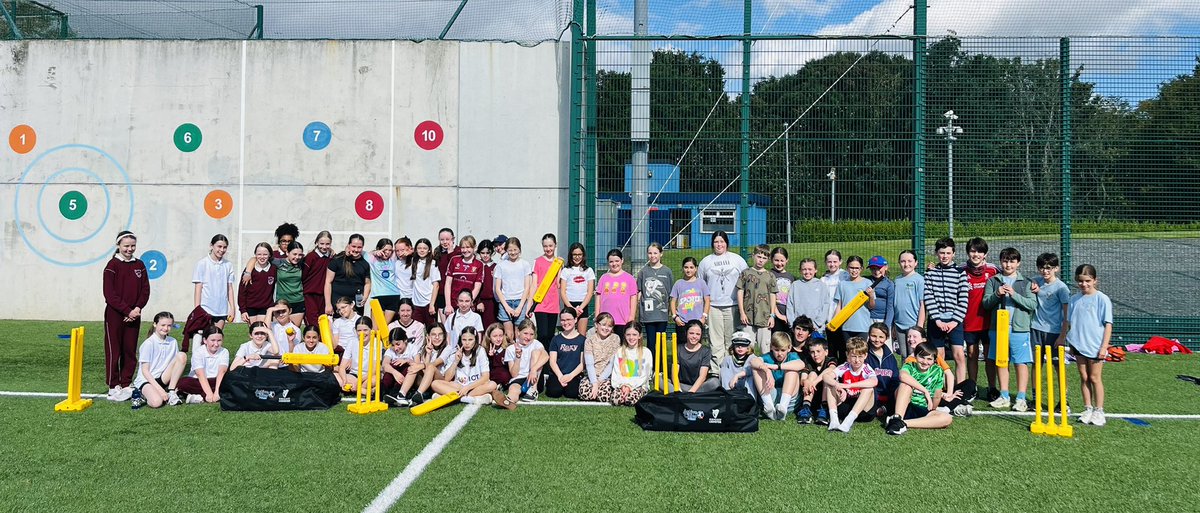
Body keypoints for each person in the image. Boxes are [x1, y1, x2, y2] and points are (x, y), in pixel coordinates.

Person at [982, 247, 1038, 411]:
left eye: (1012, 261)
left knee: (1020, 363)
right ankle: (1004, 395)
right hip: (998, 329)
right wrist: (997, 294)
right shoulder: (993, 281)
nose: (1008, 265)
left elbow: (1032, 304)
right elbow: (986, 304)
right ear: (1001, 262)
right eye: (1005, 261)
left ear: (1018, 263)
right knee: (1001, 361)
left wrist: (1014, 294)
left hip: (1019, 329)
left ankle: (1021, 398)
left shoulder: (1026, 282)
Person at [103, 231, 150, 402]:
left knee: (129, 350)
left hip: (134, 314)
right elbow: (109, 294)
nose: (130, 249)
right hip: (115, 315)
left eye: (132, 246)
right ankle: (113, 385)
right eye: (126, 246)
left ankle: (126, 382)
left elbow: (145, 290)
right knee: (114, 350)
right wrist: (127, 311)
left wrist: (136, 309)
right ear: (118, 246)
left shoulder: (140, 265)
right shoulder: (112, 265)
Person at [1064, 264, 1113, 427]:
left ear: (1095, 280)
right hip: (1079, 345)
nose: (1084, 284)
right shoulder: (1074, 299)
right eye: (1080, 281)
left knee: (1094, 377)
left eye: (1087, 281)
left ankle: (1099, 411)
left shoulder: (1102, 299)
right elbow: (1071, 322)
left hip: (1095, 346)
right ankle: (1088, 408)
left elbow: (1108, 324)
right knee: (1084, 377)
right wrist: (1071, 342)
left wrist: (1103, 347)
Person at [923, 237, 969, 385]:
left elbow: (963, 299)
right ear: (937, 253)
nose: (945, 256)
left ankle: (961, 388)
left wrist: (954, 321)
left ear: (953, 253)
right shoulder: (930, 273)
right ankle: (940, 388)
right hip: (936, 321)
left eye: (948, 253)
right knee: (938, 356)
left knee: (959, 355)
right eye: (942, 253)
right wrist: (937, 320)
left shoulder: (960, 273)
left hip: (954, 321)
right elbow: (928, 297)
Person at [698, 231, 747, 368]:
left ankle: (732, 368)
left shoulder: (737, 260)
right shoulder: (705, 262)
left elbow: (746, 281)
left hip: (733, 306)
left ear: (726, 243)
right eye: (716, 242)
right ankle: (717, 370)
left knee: (731, 339)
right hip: (713, 307)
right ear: (712, 244)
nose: (719, 245)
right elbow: (701, 286)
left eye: (722, 241)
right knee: (716, 341)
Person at [884, 342, 955, 435]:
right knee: (906, 385)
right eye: (922, 357)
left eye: (929, 359)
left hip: (923, 408)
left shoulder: (938, 371)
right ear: (915, 356)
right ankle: (897, 416)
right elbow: (902, 376)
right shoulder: (910, 366)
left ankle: (902, 423)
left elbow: (937, 395)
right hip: (906, 405)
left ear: (934, 360)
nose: (925, 362)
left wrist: (933, 408)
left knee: (947, 418)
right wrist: (925, 391)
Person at [962, 237, 1000, 401]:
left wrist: (1032, 284)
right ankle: (973, 387)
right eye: (973, 251)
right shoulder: (961, 271)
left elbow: (1011, 276)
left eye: (980, 251)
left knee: (989, 355)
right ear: (968, 253)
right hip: (969, 321)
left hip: (989, 322)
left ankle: (992, 387)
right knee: (972, 354)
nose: (976, 254)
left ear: (985, 254)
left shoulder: (993, 270)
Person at [130, 312, 187, 409]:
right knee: (157, 402)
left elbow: (176, 366)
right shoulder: (148, 343)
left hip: (163, 378)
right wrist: (160, 390)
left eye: (169, 325)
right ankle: (141, 394)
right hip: (147, 380)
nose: (166, 328)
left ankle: (171, 392)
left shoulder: (173, 341)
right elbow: (145, 371)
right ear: (155, 324)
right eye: (163, 325)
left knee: (182, 355)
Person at [822, 337, 878, 433]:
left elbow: (874, 381)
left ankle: (848, 421)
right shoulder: (845, 367)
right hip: (846, 406)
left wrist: (848, 386)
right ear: (847, 355)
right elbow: (826, 376)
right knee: (830, 384)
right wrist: (837, 385)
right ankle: (834, 420)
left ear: (865, 356)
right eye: (853, 356)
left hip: (864, 410)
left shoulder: (866, 368)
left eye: (860, 356)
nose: (857, 360)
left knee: (869, 388)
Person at [719, 331, 778, 418]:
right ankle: (727, 400)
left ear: (748, 347)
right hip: (732, 386)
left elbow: (752, 370)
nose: (740, 347)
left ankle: (751, 404)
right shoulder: (728, 359)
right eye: (737, 345)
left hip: (748, 386)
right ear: (733, 346)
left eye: (743, 345)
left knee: (750, 375)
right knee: (723, 370)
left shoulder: (752, 357)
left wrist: (737, 375)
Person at [432, 326, 497, 404]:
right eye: (464, 340)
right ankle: (468, 399)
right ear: (460, 340)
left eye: (470, 340)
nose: (467, 343)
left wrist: (468, 388)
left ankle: (452, 396)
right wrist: (456, 361)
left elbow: (485, 377)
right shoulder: (455, 351)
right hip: (458, 386)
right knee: (435, 383)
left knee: (492, 384)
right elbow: (447, 379)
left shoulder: (480, 351)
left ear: (475, 340)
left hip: (475, 386)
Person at [492, 320, 548, 407]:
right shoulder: (510, 349)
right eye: (525, 333)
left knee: (536, 352)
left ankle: (533, 391)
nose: (528, 337)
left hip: (535, 378)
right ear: (518, 332)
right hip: (519, 378)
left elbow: (546, 356)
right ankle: (508, 401)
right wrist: (518, 357)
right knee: (513, 389)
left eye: (531, 334)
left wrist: (533, 370)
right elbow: (514, 374)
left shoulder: (536, 344)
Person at [831, 256, 876, 361]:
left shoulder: (867, 283)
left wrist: (871, 296)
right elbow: (839, 306)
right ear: (847, 268)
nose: (854, 270)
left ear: (861, 269)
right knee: (849, 355)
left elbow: (871, 306)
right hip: (846, 326)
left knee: (861, 355)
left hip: (862, 326)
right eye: (851, 267)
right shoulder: (842, 284)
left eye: (857, 268)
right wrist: (834, 322)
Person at [737, 244, 779, 354]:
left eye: (764, 258)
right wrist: (742, 312)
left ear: (768, 260)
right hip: (748, 317)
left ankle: (765, 365)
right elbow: (740, 291)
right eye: (759, 257)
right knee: (748, 348)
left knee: (765, 348)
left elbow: (773, 295)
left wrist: (772, 315)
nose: (761, 260)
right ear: (753, 256)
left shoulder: (770, 276)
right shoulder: (746, 273)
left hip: (764, 318)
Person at [1031, 252, 1070, 368]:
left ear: (1056, 268)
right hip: (1036, 329)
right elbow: (1027, 280)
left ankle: (1062, 382)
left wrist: (1062, 336)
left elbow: (1067, 314)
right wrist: (1033, 282)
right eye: (1041, 268)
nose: (1045, 271)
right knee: (1036, 364)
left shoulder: (1061, 288)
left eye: (1048, 268)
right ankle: (1035, 382)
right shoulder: (1037, 281)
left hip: (1054, 331)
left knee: (1058, 364)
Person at [599, 324, 654, 406]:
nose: (631, 337)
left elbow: (644, 376)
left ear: (639, 336)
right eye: (628, 334)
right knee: (616, 400)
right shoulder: (620, 351)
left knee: (630, 400)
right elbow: (616, 373)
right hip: (622, 385)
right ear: (624, 335)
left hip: (638, 385)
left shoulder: (646, 352)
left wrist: (630, 387)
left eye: (634, 334)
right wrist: (623, 386)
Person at [637, 242, 674, 357]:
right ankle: (651, 365)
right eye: (650, 253)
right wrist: (638, 311)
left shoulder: (667, 271)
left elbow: (671, 293)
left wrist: (671, 311)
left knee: (661, 342)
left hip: (662, 313)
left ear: (661, 254)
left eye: (655, 253)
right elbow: (639, 292)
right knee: (651, 342)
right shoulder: (643, 272)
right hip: (648, 314)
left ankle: (661, 365)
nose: (652, 256)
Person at [494, 236, 533, 340]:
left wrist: (520, 307)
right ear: (506, 250)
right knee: (509, 335)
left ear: (519, 249)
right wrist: (506, 307)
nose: (513, 252)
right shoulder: (501, 265)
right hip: (505, 302)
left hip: (520, 301)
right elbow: (498, 288)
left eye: (515, 250)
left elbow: (527, 287)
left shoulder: (525, 264)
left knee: (519, 333)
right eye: (510, 250)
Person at [178, 325, 229, 404]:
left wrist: (217, 392)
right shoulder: (198, 352)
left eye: (219, 340)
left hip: (216, 381)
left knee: (230, 382)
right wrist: (209, 393)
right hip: (199, 381)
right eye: (213, 340)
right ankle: (205, 395)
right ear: (205, 340)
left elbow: (222, 372)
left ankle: (198, 397)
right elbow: (200, 374)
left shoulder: (224, 352)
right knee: (183, 383)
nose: (216, 344)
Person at [193, 234, 236, 328]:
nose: (222, 250)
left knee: (217, 336)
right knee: (203, 336)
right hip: (205, 310)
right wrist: (197, 310)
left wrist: (232, 308)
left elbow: (229, 289)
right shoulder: (202, 263)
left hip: (222, 311)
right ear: (211, 245)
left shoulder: (228, 265)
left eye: (225, 247)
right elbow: (198, 289)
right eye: (219, 246)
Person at [760, 332, 805, 420]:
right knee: (757, 368)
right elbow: (754, 362)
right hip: (772, 396)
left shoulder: (792, 356)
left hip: (789, 401)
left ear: (789, 348)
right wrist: (767, 370)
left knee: (792, 370)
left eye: (783, 350)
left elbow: (801, 364)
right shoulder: (768, 356)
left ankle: (783, 407)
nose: (779, 354)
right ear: (771, 347)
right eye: (776, 350)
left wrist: (777, 366)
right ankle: (768, 404)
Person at [595, 249, 638, 338]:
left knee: (621, 344)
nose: (614, 264)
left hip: (623, 320)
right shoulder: (603, 278)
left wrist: (631, 317)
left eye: (617, 261)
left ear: (622, 260)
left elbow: (633, 298)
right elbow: (598, 298)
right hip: (605, 321)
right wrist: (597, 317)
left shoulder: (629, 278)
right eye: (611, 262)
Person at [325, 234, 371, 317]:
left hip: (356, 304)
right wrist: (328, 304)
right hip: (338, 303)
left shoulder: (365, 264)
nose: (356, 250)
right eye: (353, 246)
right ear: (348, 245)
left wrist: (365, 297)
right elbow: (328, 282)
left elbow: (367, 283)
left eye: (359, 247)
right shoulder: (337, 260)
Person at [579, 313, 621, 402]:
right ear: (596, 325)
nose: (606, 328)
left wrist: (599, 381)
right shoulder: (589, 340)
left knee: (603, 396)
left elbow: (611, 364)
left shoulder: (615, 339)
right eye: (603, 324)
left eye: (609, 326)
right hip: (592, 375)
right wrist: (594, 383)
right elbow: (589, 364)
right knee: (585, 394)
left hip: (607, 376)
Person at [892, 250, 926, 359]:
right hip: (899, 324)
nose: (906, 264)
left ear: (916, 263)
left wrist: (919, 326)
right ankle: (904, 371)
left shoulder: (919, 280)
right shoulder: (897, 280)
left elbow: (922, 304)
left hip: (913, 324)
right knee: (903, 355)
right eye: (903, 261)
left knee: (914, 354)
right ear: (899, 263)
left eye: (910, 261)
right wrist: (894, 325)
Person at [529, 233, 562, 345]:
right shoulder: (537, 261)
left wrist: (560, 266)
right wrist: (530, 303)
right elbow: (534, 284)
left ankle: (549, 355)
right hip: (540, 302)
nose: (548, 249)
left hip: (553, 303)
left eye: (550, 246)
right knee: (542, 334)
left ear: (555, 245)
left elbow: (558, 284)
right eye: (545, 246)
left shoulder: (558, 262)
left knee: (550, 335)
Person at [797, 337, 839, 425]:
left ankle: (824, 409)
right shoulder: (808, 361)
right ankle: (806, 407)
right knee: (812, 374)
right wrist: (806, 382)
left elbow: (831, 369)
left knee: (827, 377)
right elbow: (803, 378)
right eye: (812, 352)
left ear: (826, 352)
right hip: (812, 394)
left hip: (828, 395)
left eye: (818, 351)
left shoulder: (831, 360)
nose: (815, 355)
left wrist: (814, 382)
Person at [669, 256, 711, 342]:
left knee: (695, 344)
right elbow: (673, 301)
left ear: (696, 269)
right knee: (681, 346)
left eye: (691, 267)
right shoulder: (678, 283)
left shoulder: (701, 283)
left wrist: (704, 317)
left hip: (697, 321)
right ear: (683, 268)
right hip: (682, 322)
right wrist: (675, 317)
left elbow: (707, 300)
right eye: (686, 267)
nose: (688, 270)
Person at [546, 309, 585, 399]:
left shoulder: (582, 340)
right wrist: (560, 376)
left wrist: (570, 376)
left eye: (568, 319)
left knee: (572, 393)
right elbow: (552, 361)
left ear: (575, 320)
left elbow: (582, 363)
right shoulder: (556, 339)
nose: (566, 323)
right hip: (558, 374)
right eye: (563, 320)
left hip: (574, 375)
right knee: (554, 392)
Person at [442, 235, 484, 320]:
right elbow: (448, 283)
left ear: (474, 247)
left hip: (468, 305)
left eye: (468, 247)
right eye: (463, 247)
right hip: (453, 304)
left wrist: (468, 302)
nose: (465, 250)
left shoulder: (479, 264)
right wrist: (448, 304)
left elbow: (477, 287)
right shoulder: (454, 260)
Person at [410, 324, 453, 404]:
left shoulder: (448, 348)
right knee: (412, 368)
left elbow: (437, 362)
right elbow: (426, 370)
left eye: (440, 334)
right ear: (428, 336)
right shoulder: (424, 348)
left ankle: (418, 394)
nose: (437, 337)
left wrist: (421, 365)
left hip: (441, 380)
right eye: (433, 335)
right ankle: (401, 394)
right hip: (427, 380)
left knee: (430, 367)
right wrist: (428, 353)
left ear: (444, 336)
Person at [559, 242, 596, 335]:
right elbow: (562, 292)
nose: (577, 257)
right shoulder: (566, 270)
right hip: (569, 304)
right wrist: (571, 309)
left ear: (583, 255)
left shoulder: (589, 271)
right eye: (574, 254)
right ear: (571, 255)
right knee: (568, 333)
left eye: (579, 254)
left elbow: (590, 292)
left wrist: (580, 309)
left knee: (581, 335)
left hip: (582, 306)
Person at [786, 258, 830, 332]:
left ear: (815, 270)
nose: (807, 272)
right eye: (804, 269)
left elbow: (826, 305)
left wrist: (817, 323)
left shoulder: (821, 285)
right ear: (800, 270)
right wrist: (793, 324)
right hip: (799, 328)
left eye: (810, 269)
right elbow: (790, 305)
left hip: (816, 328)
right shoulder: (795, 285)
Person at [381, 327, 422, 406]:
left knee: (409, 368)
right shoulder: (390, 350)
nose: (396, 348)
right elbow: (384, 365)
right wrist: (395, 373)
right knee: (390, 369)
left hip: (408, 379)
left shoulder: (412, 348)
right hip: (394, 378)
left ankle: (398, 394)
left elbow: (417, 365)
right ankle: (384, 393)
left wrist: (407, 360)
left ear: (405, 340)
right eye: (393, 345)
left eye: (398, 344)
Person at [238, 242, 277, 325]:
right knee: (254, 330)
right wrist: (243, 310)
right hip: (250, 307)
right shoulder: (248, 271)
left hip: (266, 307)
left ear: (269, 255)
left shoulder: (273, 269)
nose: (262, 257)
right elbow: (242, 291)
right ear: (255, 255)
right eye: (259, 254)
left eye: (265, 254)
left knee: (262, 329)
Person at [365, 237, 402, 326]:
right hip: (378, 296)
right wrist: (375, 252)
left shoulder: (393, 258)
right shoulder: (373, 259)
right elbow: (362, 253)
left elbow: (404, 250)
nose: (388, 252)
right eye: (385, 250)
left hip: (393, 295)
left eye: (390, 250)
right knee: (375, 328)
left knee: (384, 327)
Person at [301, 230, 334, 329]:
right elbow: (303, 276)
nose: (324, 247)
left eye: (327, 244)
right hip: (310, 294)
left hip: (324, 295)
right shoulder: (310, 257)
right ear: (316, 243)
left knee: (324, 323)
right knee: (313, 323)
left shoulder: (332, 258)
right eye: (322, 244)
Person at [866, 322, 899, 417]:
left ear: (886, 338)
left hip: (888, 395)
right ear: (869, 335)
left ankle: (885, 408)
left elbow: (895, 378)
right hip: (870, 394)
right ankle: (879, 409)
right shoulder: (864, 353)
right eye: (873, 336)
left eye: (881, 337)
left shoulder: (890, 356)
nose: (877, 340)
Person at [676, 320, 719, 393]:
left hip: (699, 386)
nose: (694, 337)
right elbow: (674, 374)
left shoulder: (706, 351)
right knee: (660, 380)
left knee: (715, 382)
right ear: (686, 333)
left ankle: (688, 394)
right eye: (691, 333)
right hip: (681, 385)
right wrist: (678, 389)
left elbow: (702, 376)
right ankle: (682, 393)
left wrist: (691, 392)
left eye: (698, 334)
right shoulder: (678, 349)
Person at [337, 317, 378, 393]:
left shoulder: (377, 343)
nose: (362, 333)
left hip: (368, 376)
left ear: (371, 330)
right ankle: (363, 391)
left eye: (365, 330)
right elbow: (342, 367)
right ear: (355, 331)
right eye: (359, 330)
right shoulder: (352, 342)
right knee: (336, 377)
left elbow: (374, 370)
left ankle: (359, 389)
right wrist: (344, 380)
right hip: (354, 375)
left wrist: (359, 381)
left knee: (374, 380)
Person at [407, 238, 442, 327]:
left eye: (425, 248)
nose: (422, 250)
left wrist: (432, 304)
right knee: (416, 329)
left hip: (428, 302)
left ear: (429, 250)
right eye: (419, 248)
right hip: (416, 303)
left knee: (431, 329)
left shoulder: (433, 263)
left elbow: (436, 285)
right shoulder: (413, 261)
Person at [274, 241, 306, 327]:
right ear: (287, 252)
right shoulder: (279, 262)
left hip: (298, 302)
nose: (297, 257)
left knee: (294, 330)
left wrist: (331, 251)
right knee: (279, 330)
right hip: (281, 302)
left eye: (300, 255)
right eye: (294, 254)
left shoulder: (302, 263)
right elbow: (256, 258)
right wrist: (248, 272)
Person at [769, 247, 795, 334]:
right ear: (771, 260)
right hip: (774, 314)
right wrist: (778, 314)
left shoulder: (790, 277)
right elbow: (769, 297)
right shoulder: (769, 275)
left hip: (788, 314)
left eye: (782, 261)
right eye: (776, 260)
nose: (779, 263)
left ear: (787, 260)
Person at [433, 227, 457, 318]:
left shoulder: (459, 251)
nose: (445, 242)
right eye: (442, 239)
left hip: (455, 292)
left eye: (447, 239)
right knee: (446, 324)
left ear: (453, 239)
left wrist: (450, 253)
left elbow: (454, 266)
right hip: (441, 292)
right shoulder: (437, 252)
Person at [476, 239, 498, 327]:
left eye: (488, 253)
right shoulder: (477, 265)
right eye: (482, 253)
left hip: (493, 303)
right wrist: (478, 301)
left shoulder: (496, 267)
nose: (485, 255)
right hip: (480, 302)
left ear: (492, 252)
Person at [866, 256, 894, 327]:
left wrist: (887, 325)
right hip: (867, 317)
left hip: (882, 319)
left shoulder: (889, 284)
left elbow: (890, 307)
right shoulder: (866, 281)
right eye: (873, 269)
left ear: (886, 267)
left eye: (879, 268)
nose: (876, 271)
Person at [820, 249, 849, 318]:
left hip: (843, 313)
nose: (832, 264)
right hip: (828, 314)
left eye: (835, 262)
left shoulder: (846, 276)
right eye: (829, 262)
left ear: (840, 262)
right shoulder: (823, 280)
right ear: (825, 262)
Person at [483, 323, 512, 388]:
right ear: (489, 337)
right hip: (491, 376)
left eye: (500, 336)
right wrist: (491, 357)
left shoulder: (507, 349)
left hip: (505, 376)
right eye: (495, 336)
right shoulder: (484, 350)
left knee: (504, 374)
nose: (498, 339)